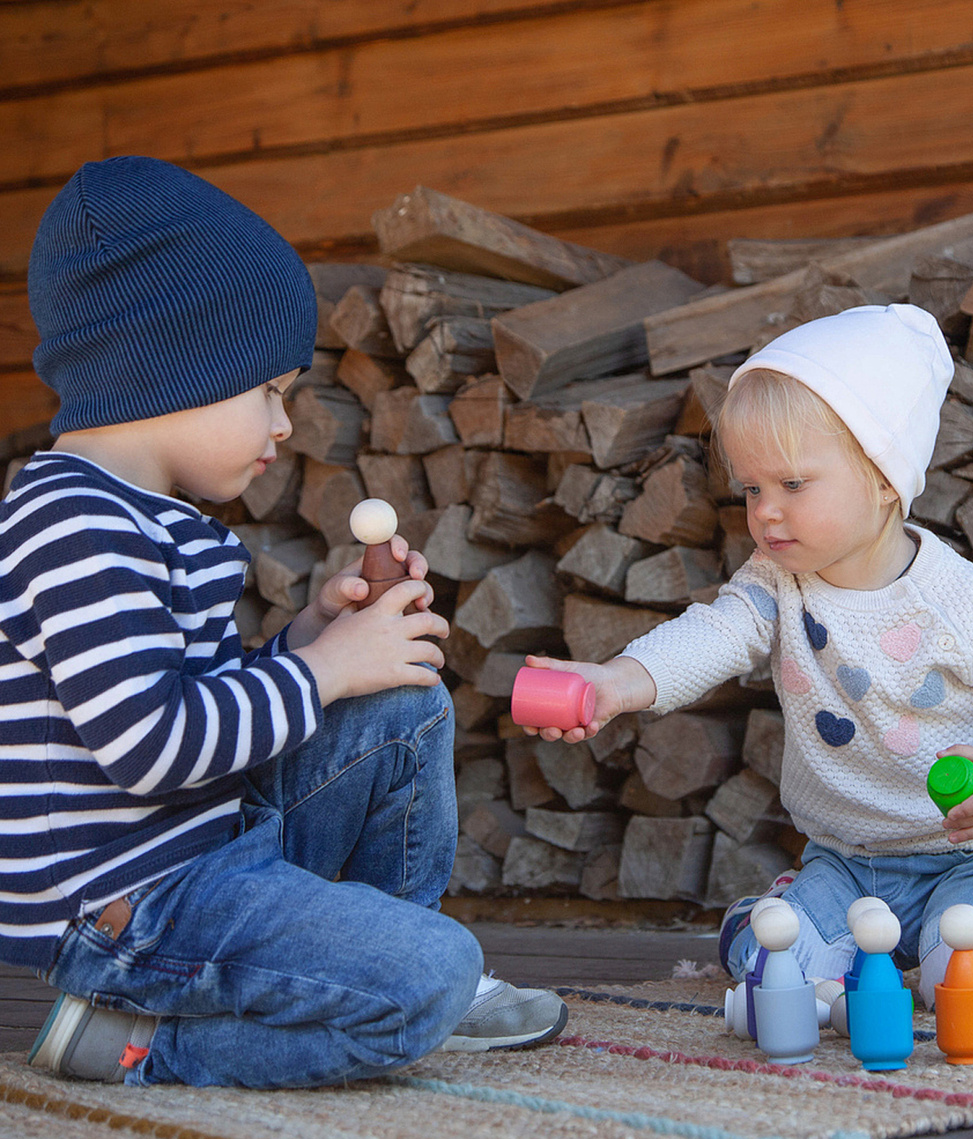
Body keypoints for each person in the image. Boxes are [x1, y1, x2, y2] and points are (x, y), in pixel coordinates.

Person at [0, 156, 566, 1089]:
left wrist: (311, 640)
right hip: (128, 908)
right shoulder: (74, 523)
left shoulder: (145, 515)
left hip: (203, 857)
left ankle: (373, 954)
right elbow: (150, 744)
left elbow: (199, 699)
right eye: (268, 390)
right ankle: (142, 1045)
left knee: (398, 700)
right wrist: (322, 671)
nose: (284, 426)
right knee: (433, 977)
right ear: (174, 363)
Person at [520, 303, 973, 1016]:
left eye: (792, 485)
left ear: (882, 478)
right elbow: (713, 633)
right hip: (848, 860)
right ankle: (775, 918)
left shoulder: (962, 600)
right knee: (776, 980)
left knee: (970, 989)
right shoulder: (777, 583)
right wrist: (615, 682)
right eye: (751, 489)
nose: (765, 512)